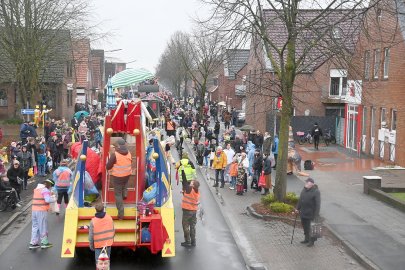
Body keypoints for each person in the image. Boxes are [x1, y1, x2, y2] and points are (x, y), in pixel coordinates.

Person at [106, 138, 132, 220]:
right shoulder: (129, 153)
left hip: (117, 176)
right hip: (127, 174)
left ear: (118, 146)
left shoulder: (115, 155)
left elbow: (108, 166)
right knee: (125, 185)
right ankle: (125, 195)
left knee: (117, 194)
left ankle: (121, 214)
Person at [29, 179, 56, 249]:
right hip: (41, 210)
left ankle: (33, 243)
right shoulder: (45, 190)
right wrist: (54, 199)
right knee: (43, 226)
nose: (50, 187)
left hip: (34, 210)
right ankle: (44, 243)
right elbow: (47, 200)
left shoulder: (37, 189)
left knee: (35, 226)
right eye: (51, 186)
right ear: (49, 184)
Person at [296, 178, 321, 247]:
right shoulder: (304, 189)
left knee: (311, 228)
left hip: (311, 213)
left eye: (307, 182)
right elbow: (300, 199)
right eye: (306, 182)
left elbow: (318, 204)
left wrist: (316, 215)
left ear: (312, 184)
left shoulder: (316, 191)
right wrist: (297, 208)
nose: (306, 183)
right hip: (303, 212)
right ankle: (306, 238)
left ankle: (311, 241)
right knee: (305, 226)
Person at [181, 177, 200, 247]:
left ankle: (187, 241)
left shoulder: (189, 189)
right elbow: (190, 196)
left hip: (187, 210)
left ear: (193, 185)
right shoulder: (196, 191)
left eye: (191, 183)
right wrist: (184, 193)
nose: (190, 183)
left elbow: (184, 181)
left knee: (185, 226)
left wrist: (182, 170)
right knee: (192, 226)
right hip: (194, 211)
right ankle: (193, 241)